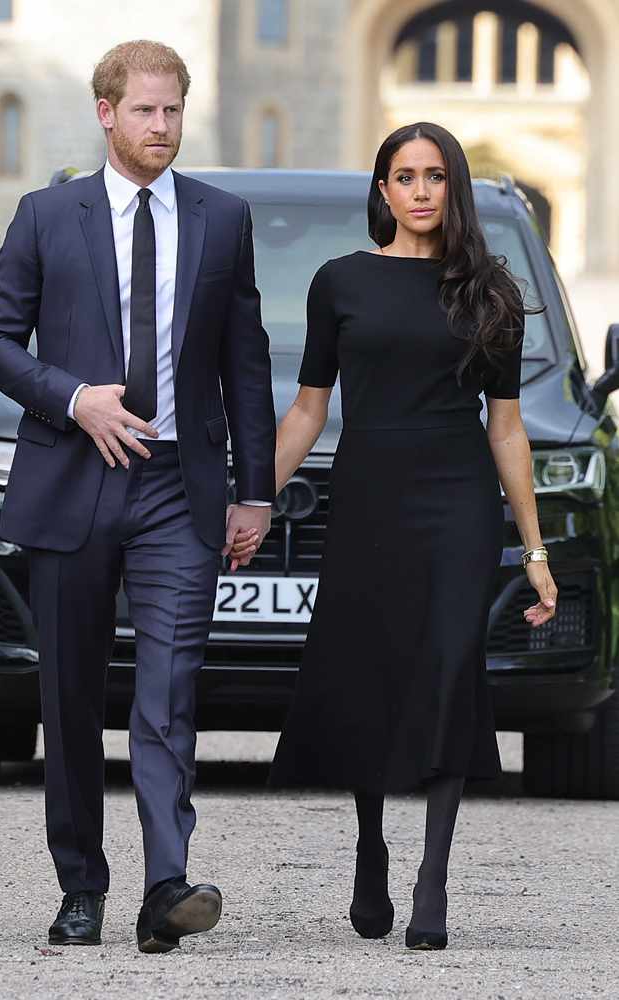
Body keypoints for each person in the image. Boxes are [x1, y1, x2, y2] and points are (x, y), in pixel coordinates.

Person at [0, 40, 275, 954]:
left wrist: (252, 491)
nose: (162, 127)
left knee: (170, 690)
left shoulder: (223, 220)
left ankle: (167, 884)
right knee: (67, 695)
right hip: (75, 478)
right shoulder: (45, 215)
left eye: (174, 111)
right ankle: (81, 887)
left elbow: (244, 363)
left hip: (179, 487)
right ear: (106, 112)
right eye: (145, 111)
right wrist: (73, 398)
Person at [260, 122, 555, 951]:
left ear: (452, 187)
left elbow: (507, 429)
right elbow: (308, 410)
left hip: (459, 503)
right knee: (372, 670)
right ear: (382, 190)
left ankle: (434, 877)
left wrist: (534, 551)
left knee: (450, 668)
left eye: (434, 176)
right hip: (368, 499)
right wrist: (250, 502)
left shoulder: (489, 290)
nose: (420, 190)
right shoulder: (340, 282)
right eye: (404, 176)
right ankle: (370, 845)